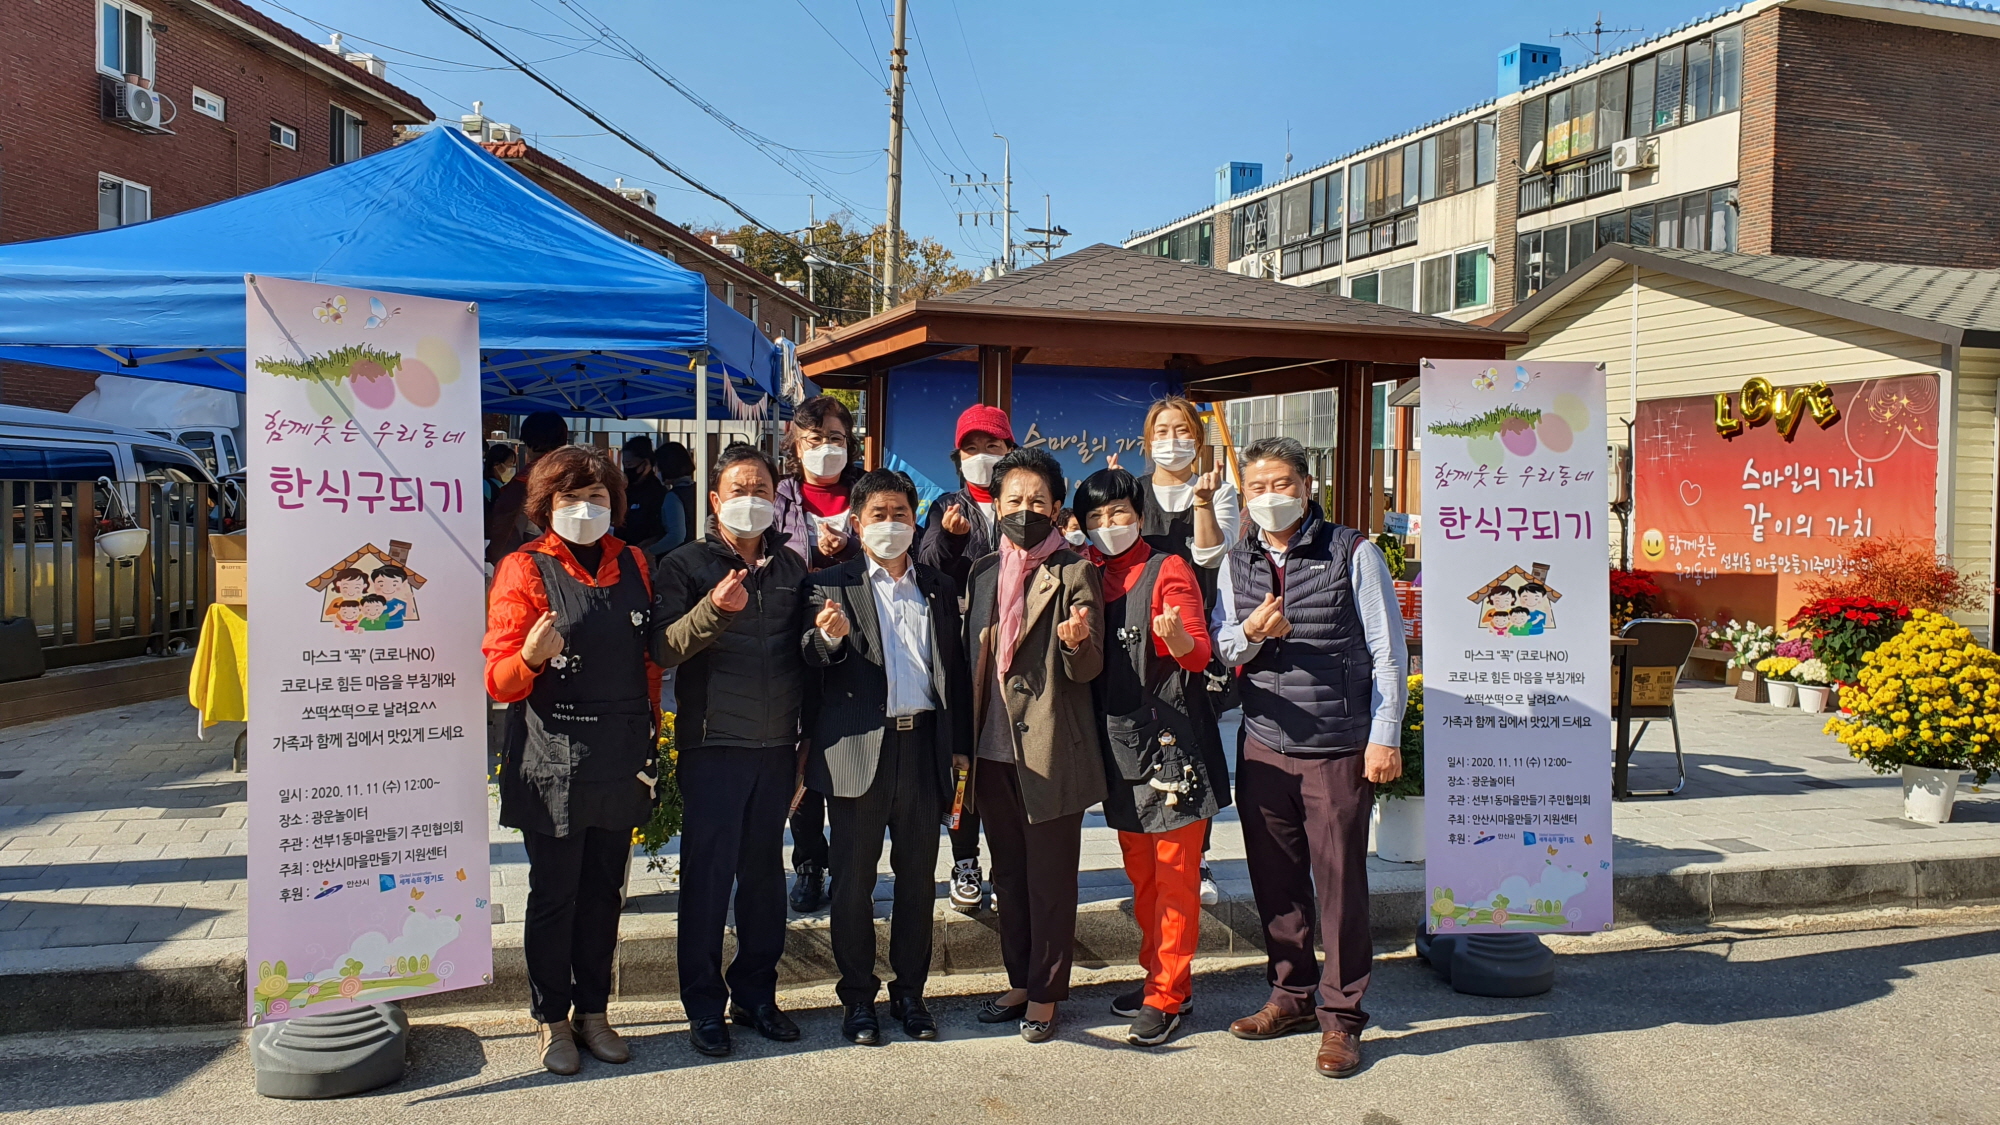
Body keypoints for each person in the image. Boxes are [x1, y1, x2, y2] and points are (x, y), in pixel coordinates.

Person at [485, 446, 688, 1076]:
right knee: (555, 894)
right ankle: (551, 1018)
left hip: (619, 750)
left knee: (605, 892)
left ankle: (594, 1012)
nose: (584, 508)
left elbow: (647, 660)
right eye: (570, 498)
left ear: (614, 503)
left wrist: (652, 729)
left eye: (597, 497)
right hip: (551, 755)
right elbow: (498, 679)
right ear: (546, 505)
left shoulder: (634, 561)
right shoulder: (524, 567)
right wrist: (531, 657)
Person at [1210, 436, 1407, 1080]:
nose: (1270, 497)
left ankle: (1342, 1017)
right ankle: (1290, 994)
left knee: (1341, 885)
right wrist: (1251, 633)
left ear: (1307, 486)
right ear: (1244, 497)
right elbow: (1222, 645)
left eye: (1282, 484)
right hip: (1264, 743)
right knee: (1275, 880)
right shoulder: (1236, 560)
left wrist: (1385, 735)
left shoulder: (1353, 551)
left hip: (1337, 746)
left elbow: (1388, 650)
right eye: (1257, 488)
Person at [800, 469, 971, 1045]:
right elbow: (810, 657)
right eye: (879, 515)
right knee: (852, 882)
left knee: (918, 880)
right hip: (858, 751)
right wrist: (829, 637)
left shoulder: (937, 586)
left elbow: (955, 672)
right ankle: (857, 997)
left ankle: (911, 993)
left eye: (900, 513)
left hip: (923, 747)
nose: (890, 524)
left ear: (914, 521)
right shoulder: (829, 584)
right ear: (857, 523)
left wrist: (959, 748)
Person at [651, 443, 810, 1058]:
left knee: (765, 876)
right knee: (708, 879)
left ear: (776, 499)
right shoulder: (684, 564)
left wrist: (804, 741)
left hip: (777, 745)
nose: (751, 500)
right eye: (738, 490)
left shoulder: (791, 566)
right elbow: (664, 648)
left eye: (761, 490)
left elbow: (803, 656)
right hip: (714, 743)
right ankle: (703, 1006)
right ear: (714, 501)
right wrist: (714, 611)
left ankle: (756, 994)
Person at [1072, 468, 1231, 1047]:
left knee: (1175, 877)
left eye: (1118, 513)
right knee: (1141, 874)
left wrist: (1179, 638)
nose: (1108, 524)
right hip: (1119, 745)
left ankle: (1167, 994)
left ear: (1139, 516)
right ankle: (1158, 979)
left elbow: (1198, 655)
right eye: (1096, 517)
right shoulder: (1087, 573)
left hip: (1172, 746)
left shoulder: (1169, 569)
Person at [959, 447, 1103, 1042]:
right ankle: (1019, 979)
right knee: (1008, 875)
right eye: (1014, 499)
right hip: (991, 750)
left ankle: (1046, 992)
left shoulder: (1074, 570)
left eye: (1038, 501)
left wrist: (1075, 642)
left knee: (1050, 880)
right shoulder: (984, 571)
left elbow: (1089, 667)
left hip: (1048, 750)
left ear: (1057, 507)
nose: (1025, 510)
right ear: (996, 505)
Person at [1114, 396, 1240, 907]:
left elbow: (1211, 555)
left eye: (1182, 430)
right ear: (1148, 442)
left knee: (1197, 739)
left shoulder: (1219, 490)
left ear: (1199, 438)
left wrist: (1203, 502)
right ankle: (1146, 845)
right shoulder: (1134, 491)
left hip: (1194, 633)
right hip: (1137, 632)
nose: (1172, 440)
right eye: (1162, 431)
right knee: (1143, 735)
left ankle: (1198, 854)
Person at [918, 402, 1017, 912]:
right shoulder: (945, 506)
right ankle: (964, 860)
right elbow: (926, 568)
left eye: (992, 446)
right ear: (958, 457)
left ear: (1009, 449)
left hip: (1019, 655)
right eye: (971, 448)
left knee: (1007, 760)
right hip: (962, 654)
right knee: (962, 757)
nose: (982, 456)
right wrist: (952, 542)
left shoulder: (1022, 502)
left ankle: (1008, 862)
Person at [772, 394, 866, 914]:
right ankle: (809, 861)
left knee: (849, 747)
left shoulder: (868, 491)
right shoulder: (777, 495)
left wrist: (848, 549)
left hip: (861, 641)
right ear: (796, 444)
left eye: (835, 438)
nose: (825, 448)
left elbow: (900, 550)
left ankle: (852, 862)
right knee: (801, 750)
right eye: (814, 439)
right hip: (793, 643)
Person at [487, 411, 571, 564]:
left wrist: (497, 557)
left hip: (536, 560)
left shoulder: (526, 481)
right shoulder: (578, 472)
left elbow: (506, 529)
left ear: (529, 443)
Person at [620, 435, 667, 550]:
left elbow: (660, 529)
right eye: (624, 465)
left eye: (630, 465)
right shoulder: (625, 488)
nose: (626, 469)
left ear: (646, 463)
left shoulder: (657, 492)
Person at [651, 441, 698, 556]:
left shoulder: (673, 497)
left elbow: (676, 536)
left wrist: (649, 552)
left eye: (657, 467)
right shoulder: (699, 490)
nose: (656, 471)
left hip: (680, 558)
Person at [483, 442, 518, 512]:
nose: (511, 469)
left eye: (513, 465)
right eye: (509, 465)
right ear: (497, 465)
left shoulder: (505, 486)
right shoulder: (485, 486)